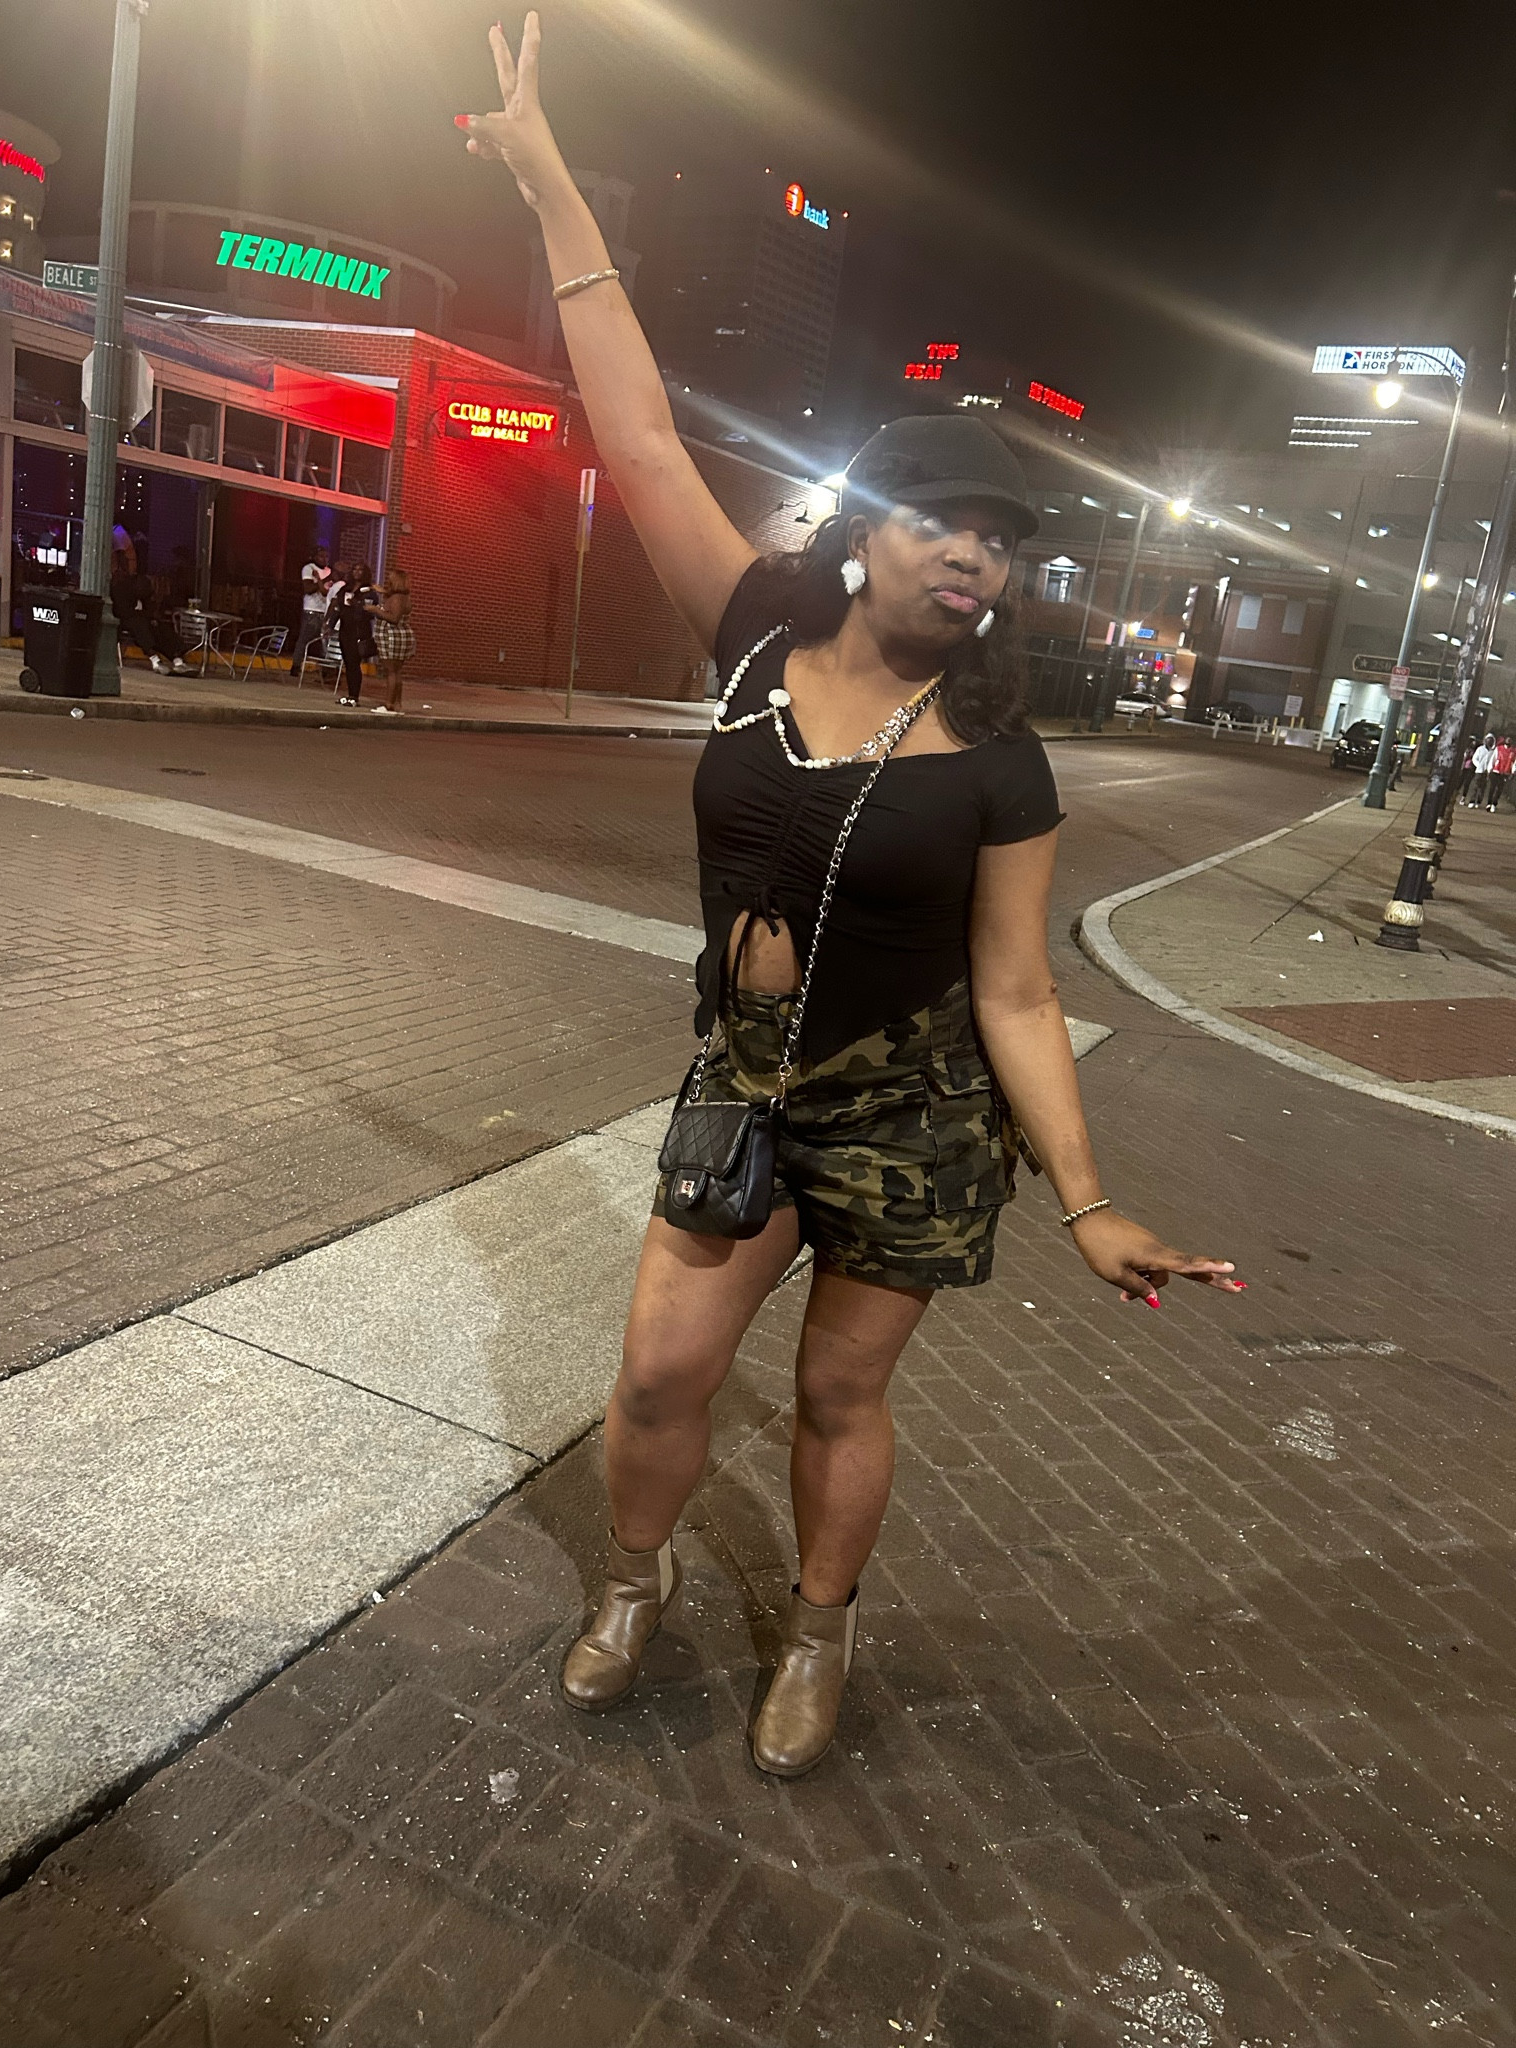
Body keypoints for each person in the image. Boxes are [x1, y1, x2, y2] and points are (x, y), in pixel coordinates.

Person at [459, 15, 1243, 1779]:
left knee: (836, 1391)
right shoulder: (753, 629)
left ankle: (817, 1629)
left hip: (913, 1107)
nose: (978, 552)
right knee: (660, 1373)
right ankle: (637, 1580)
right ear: (869, 525)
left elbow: (1020, 988)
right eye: (947, 518)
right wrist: (551, 181)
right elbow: (637, 427)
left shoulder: (999, 757)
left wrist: (1089, 1198)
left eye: (1004, 538)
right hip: (743, 1075)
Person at [109, 566, 191, 675]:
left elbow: (149, 609)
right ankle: (155, 659)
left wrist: (152, 617)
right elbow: (123, 612)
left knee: (160, 628)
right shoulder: (120, 591)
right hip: (127, 620)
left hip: (143, 618)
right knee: (141, 628)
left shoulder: (144, 593)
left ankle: (177, 660)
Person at [366, 566, 415, 714]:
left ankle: (389, 705)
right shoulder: (402, 597)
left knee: (391, 671)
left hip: (392, 636)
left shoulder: (397, 598)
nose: (388, 580)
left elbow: (394, 618)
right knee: (397, 671)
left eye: (390, 579)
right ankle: (397, 704)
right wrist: (382, 591)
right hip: (399, 635)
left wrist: (375, 610)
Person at [329, 562, 379, 706]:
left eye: (360, 570)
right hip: (345, 628)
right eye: (355, 569)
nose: (357, 572)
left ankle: (354, 696)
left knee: (354, 663)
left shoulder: (369, 591)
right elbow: (338, 607)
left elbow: (370, 612)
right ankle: (350, 694)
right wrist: (330, 624)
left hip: (359, 630)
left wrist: (357, 604)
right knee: (348, 662)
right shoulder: (346, 588)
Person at [290, 543, 334, 677]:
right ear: (314, 557)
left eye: (326, 556)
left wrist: (322, 580)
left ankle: (326, 670)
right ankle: (296, 666)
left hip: (325, 611)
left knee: (325, 642)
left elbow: (327, 592)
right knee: (304, 639)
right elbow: (308, 589)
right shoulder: (309, 568)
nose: (324, 559)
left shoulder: (329, 571)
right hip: (311, 610)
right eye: (321, 556)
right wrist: (325, 580)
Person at [1465, 733, 1498, 809]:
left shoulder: (1493, 751)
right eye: (1488, 740)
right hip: (1479, 771)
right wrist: (1479, 765)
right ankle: (1472, 801)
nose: (1489, 741)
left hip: (1487, 772)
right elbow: (1474, 758)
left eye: (1491, 740)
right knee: (1475, 786)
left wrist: (1490, 769)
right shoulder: (1480, 749)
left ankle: (1478, 801)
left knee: (1483, 787)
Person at [1487, 733, 1514, 810]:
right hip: (1496, 771)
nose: (1508, 741)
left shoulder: (1513, 751)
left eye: (1510, 740)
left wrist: (1513, 771)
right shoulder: (1498, 748)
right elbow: (1494, 758)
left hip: (1505, 772)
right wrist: (1490, 768)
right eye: (1507, 739)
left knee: (1499, 789)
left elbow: (1514, 762)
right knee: (1492, 787)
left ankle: (1494, 804)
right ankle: (1489, 803)